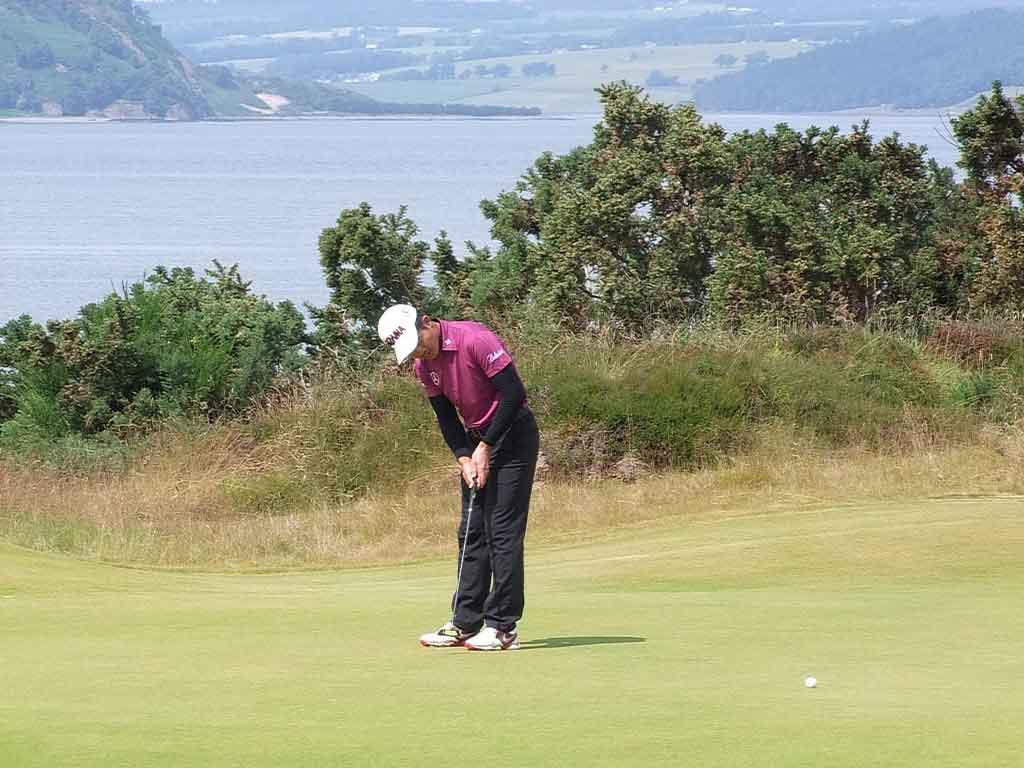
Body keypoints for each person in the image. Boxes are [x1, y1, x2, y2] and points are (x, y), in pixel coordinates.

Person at [377, 304, 540, 651]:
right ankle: (465, 622)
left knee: (502, 530)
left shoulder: (475, 339)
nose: (419, 352)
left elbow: (513, 394)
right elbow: (446, 418)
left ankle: (503, 628)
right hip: (476, 440)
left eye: (418, 342)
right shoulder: (424, 366)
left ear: (428, 322)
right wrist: (464, 456)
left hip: (513, 436)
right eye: (411, 350)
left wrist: (486, 446)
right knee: (471, 529)